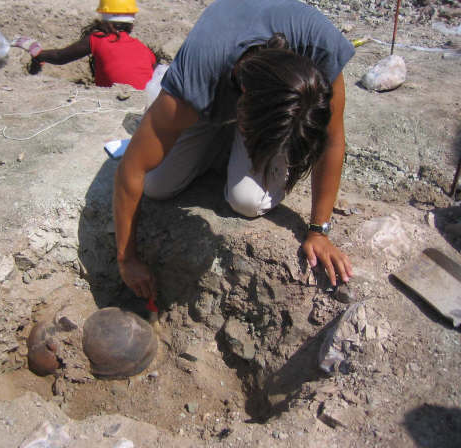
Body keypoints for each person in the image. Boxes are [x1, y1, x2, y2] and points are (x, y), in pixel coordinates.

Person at [113, 0, 356, 303]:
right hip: (215, 90)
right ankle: (210, 137)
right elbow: (131, 170)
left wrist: (319, 230)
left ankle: (221, 155)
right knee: (156, 185)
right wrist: (127, 259)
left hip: (259, 99)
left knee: (248, 201)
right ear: (242, 111)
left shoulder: (322, 49)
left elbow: (332, 140)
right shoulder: (198, 76)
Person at [26, 0, 156, 90]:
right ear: (131, 24)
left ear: (103, 17)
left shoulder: (98, 39)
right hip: (145, 104)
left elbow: (60, 56)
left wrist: (39, 54)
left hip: (112, 103)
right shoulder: (144, 49)